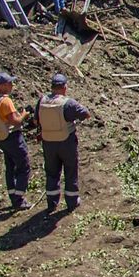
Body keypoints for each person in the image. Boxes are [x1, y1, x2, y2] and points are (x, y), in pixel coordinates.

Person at [34, 73, 90, 212]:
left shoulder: (42, 101)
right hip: (66, 141)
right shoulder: (67, 103)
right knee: (70, 170)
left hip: (48, 143)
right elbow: (85, 113)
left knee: (52, 172)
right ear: (64, 87)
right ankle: (72, 201)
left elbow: (36, 120)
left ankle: (52, 203)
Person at [0, 73, 32, 210]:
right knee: (24, 167)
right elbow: (16, 121)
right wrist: (24, 114)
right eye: (9, 83)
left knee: (10, 168)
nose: (12, 86)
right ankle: (19, 199)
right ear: (2, 85)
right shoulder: (5, 101)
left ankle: (13, 196)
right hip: (13, 137)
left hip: (2, 137)